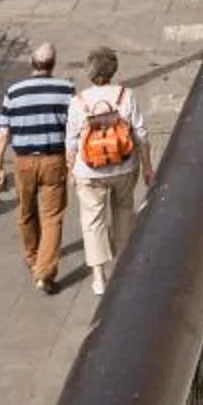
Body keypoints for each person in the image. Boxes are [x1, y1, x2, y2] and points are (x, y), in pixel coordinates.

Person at [65, 46, 153, 295]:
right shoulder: (126, 96)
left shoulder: (78, 102)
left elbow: (71, 142)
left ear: (89, 73)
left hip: (89, 172)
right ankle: (123, 266)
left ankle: (98, 277)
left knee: (93, 221)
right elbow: (141, 134)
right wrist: (147, 166)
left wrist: (72, 170)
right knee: (124, 211)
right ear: (113, 70)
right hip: (124, 166)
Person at [0, 41, 77, 294]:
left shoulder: (14, 92)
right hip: (54, 159)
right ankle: (44, 272)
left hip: (24, 161)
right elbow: (72, 130)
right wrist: (74, 165)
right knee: (53, 217)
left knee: (25, 211)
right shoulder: (66, 90)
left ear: (32, 62)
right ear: (53, 64)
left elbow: (3, 133)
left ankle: (33, 258)